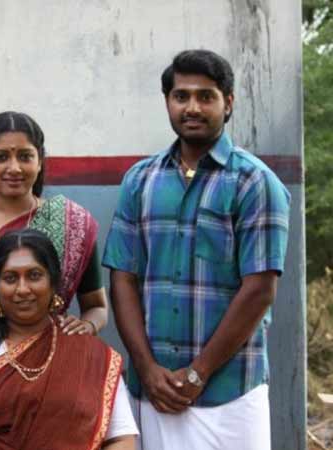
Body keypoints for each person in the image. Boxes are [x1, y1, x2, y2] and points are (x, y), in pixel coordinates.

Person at [102, 49, 291, 450]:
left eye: (206, 96)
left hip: (230, 392)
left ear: (228, 103)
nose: (192, 107)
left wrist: (198, 373)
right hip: (154, 391)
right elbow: (123, 279)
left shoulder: (255, 182)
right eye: (181, 96)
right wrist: (147, 368)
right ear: (167, 102)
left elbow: (259, 289)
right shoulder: (140, 180)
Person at [0, 229, 138, 449]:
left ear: (53, 283)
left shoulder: (94, 356)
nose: (23, 289)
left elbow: (123, 439)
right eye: (10, 278)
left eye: (34, 275)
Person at [0, 111, 108, 354]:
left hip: (52, 356)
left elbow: (97, 307)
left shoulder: (74, 222)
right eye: (1, 157)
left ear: (39, 161)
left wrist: (87, 326)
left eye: (25, 156)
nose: (14, 168)